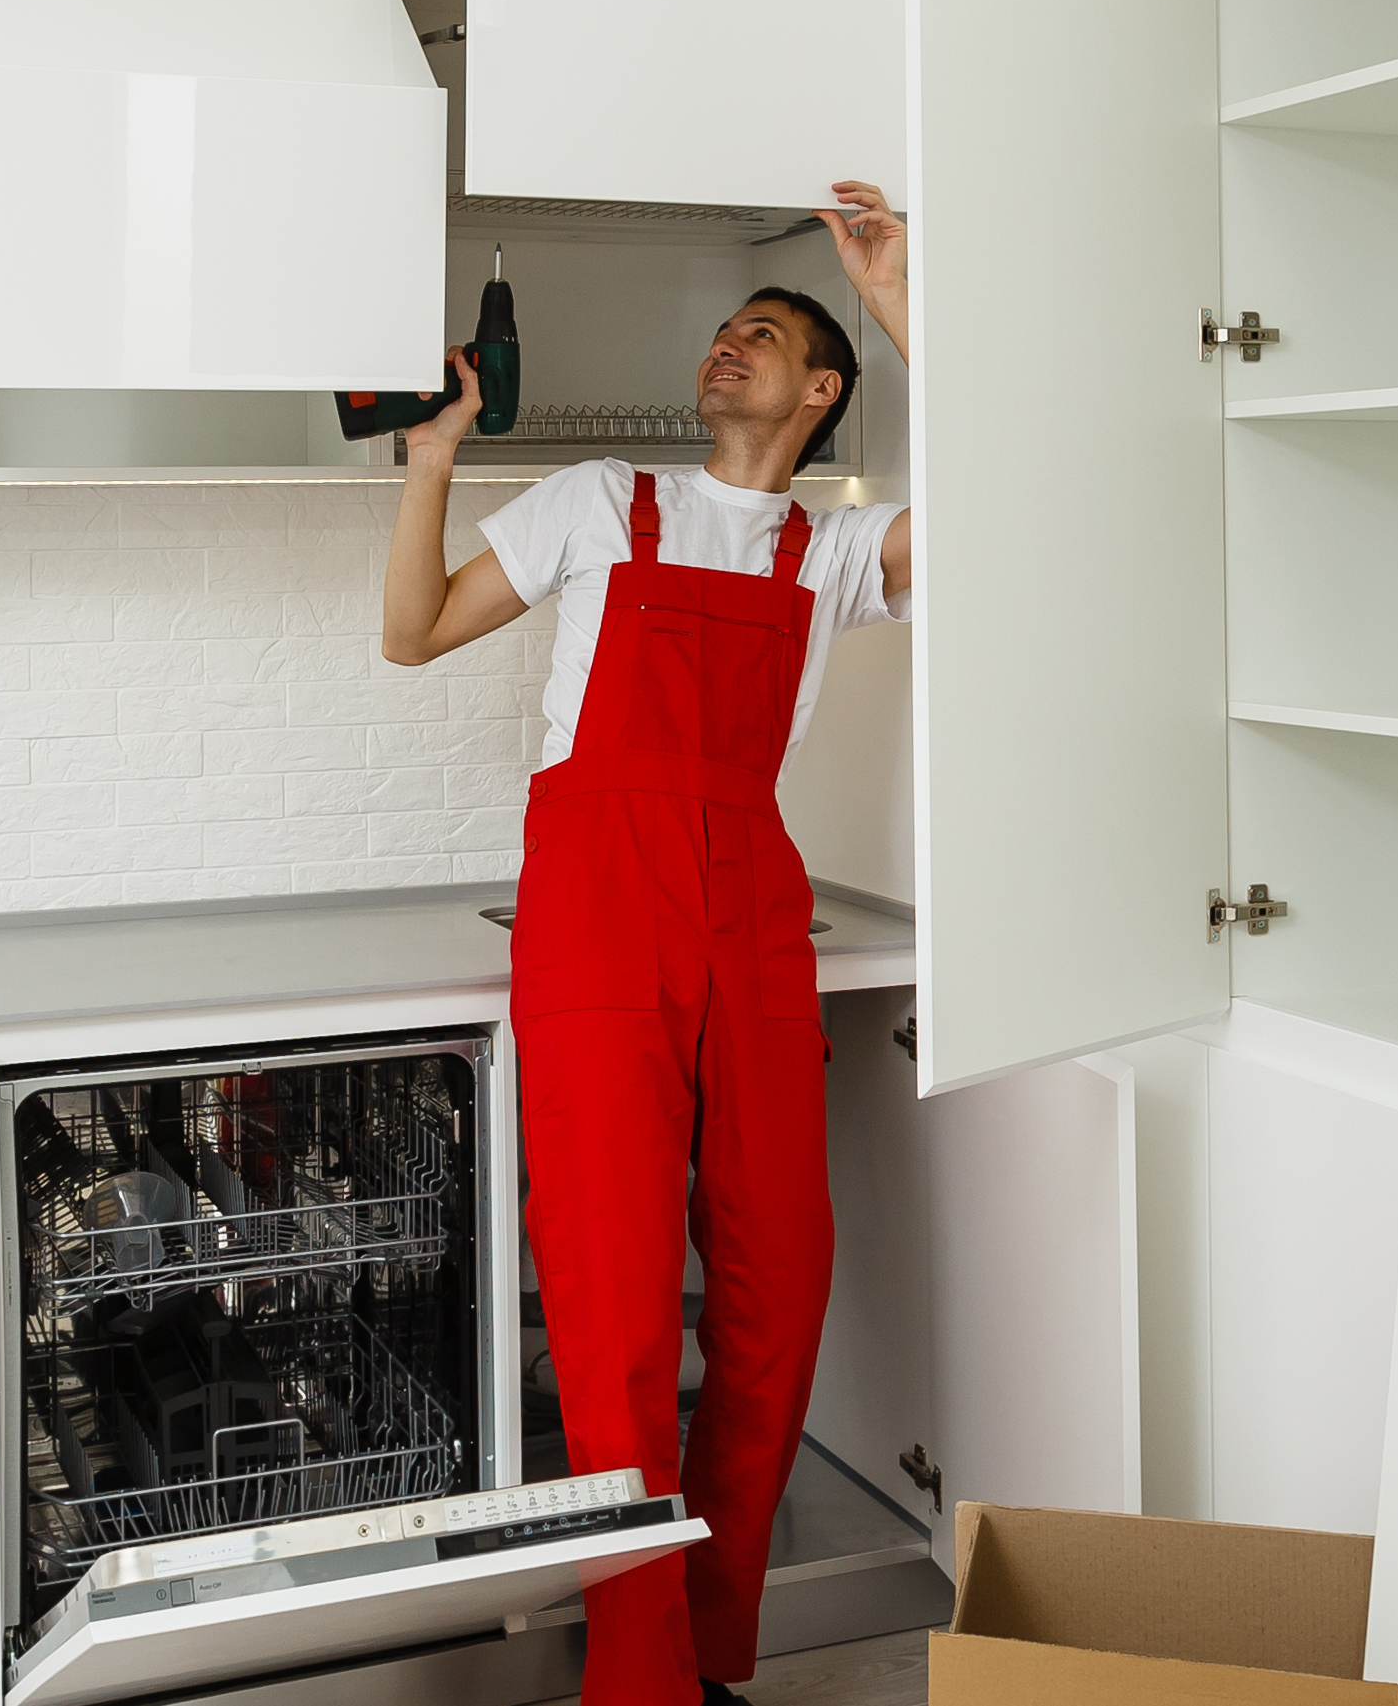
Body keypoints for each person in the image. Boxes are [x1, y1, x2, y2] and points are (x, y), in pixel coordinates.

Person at [380, 181, 912, 1706]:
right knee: (613, 1309)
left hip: (749, 907)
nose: (724, 345)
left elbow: (1021, 493)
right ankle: (642, 1676)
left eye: (764, 332)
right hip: (600, 908)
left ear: (820, 391)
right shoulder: (600, 498)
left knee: (775, 1292)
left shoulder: (832, 555)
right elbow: (412, 629)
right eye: (723, 330)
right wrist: (431, 462)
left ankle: (712, 1649)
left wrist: (892, 294)